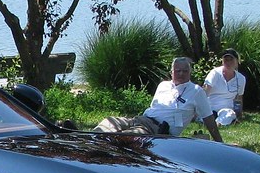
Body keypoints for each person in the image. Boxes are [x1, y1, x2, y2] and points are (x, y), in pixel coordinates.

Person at [93, 57, 223, 142]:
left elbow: (209, 119)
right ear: (172, 72)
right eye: (178, 71)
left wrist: (219, 142)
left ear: (190, 73)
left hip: (157, 130)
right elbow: (153, 108)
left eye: (185, 71)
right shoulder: (163, 85)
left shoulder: (196, 91)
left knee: (123, 138)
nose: (181, 74)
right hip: (140, 119)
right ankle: (86, 143)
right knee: (109, 122)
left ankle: (100, 150)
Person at [203, 48, 246, 122]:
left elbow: (238, 98)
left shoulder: (241, 78)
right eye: (226, 60)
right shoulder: (215, 73)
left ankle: (218, 123)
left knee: (229, 114)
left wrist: (239, 114)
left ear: (237, 61)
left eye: (231, 60)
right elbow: (205, 91)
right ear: (222, 61)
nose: (228, 62)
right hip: (211, 106)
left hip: (226, 109)